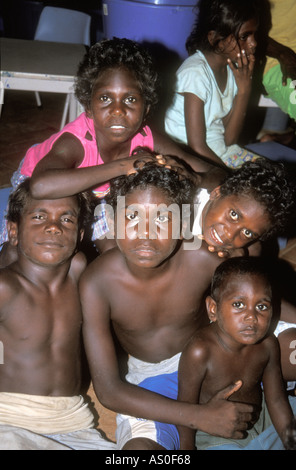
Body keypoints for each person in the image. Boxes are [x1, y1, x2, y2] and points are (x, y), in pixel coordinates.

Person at [80, 158, 296, 451]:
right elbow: (108, 390)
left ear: (182, 223)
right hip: (151, 381)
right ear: (115, 220)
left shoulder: (206, 257)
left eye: (161, 219)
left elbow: (259, 296)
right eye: (132, 217)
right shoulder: (96, 282)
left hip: (211, 362)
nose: (146, 232)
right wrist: (199, 416)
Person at [0, 37, 215, 263]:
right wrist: (124, 166)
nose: (118, 110)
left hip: (97, 197)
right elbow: (41, 185)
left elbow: (215, 174)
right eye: (105, 98)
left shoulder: (149, 137)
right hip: (44, 185)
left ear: (146, 108)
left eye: (130, 99)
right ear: (88, 107)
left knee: (116, 252)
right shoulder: (76, 141)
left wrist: (194, 177)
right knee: (20, 250)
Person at [0, 180, 116, 450]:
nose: (53, 226)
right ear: (13, 231)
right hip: (9, 418)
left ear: (80, 234)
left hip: (73, 422)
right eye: (39, 216)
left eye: (66, 218)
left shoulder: (79, 272)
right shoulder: (5, 287)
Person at [178, 257, 296, 450]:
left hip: (264, 417)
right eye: (239, 304)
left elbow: (275, 399)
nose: (252, 316)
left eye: (262, 306)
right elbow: (186, 408)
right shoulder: (200, 351)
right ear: (213, 309)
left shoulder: (267, 344)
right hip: (217, 435)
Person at [164, 0, 261, 168]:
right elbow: (197, 147)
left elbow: (229, 139)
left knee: (273, 178)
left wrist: (244, 90)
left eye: (254, 35)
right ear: (216, 39)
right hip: (188, 159)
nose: (253, 43)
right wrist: (228, 175)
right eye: (245, 36)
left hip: (219, 154)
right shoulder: (195, 73)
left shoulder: (232, 71)